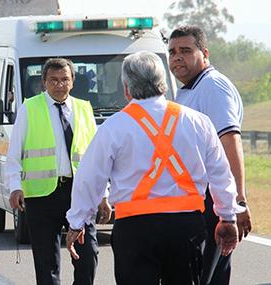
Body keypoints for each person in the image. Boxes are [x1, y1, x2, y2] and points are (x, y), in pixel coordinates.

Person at [66, 51, 240, 284]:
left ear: (126, 88)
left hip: (134, 228)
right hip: (186, 228)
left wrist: (77, 222)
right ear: (163, 84)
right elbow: (221, 174)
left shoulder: (114, 127)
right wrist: (227, 217)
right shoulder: (198, 121)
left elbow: (90, 178)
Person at [6, 58, 110, 285]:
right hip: (41, 197)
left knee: (88, 254)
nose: (59, 85)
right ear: (44, 83)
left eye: (65, 79)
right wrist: (15, 187)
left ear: (73, 81)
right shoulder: (29, 108)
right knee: (46, 261)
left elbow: (97, 159)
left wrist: (104, 195)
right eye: (53, 80)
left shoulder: (84, 109)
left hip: (79, 194)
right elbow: (14, 153)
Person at [168, 25, 252, 285]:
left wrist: (237, 202)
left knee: (204, 277)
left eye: (185, 51)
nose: (177, 57)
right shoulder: (191, 89)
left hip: (212, 201)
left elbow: (230, 141)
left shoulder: (212, 87)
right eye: (172, 52)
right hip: (196, 200)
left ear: (204, 53)